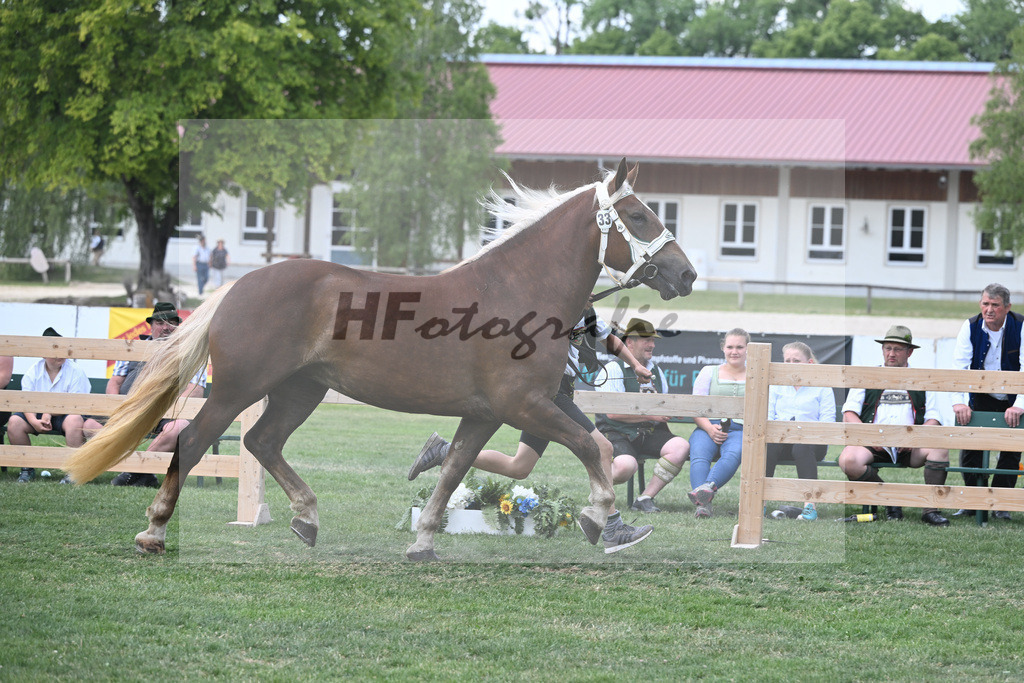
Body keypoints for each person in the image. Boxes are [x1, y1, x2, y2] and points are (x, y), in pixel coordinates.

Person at [408, 308, 655, 554]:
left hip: (561, 390)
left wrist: (635, 365)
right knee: (603, 447)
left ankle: (443, 451)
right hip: (551, 394)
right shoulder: (554, 303)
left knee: (519, 467)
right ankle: (613, 528)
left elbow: (607, 338)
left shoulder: (584, 310)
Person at [837, 325, 950, 526]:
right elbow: (849, 413)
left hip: (911, 445)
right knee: (848, 460)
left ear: (910, 352)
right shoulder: (868, 376)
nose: (891, 354)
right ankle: (890, 499)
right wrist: (870, 436)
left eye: (897, 349)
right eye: (888, 348)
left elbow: (934, 419)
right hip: (872, 442)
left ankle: (931, 509)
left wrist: (913, 438)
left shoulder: (922, 379)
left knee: (939, 449)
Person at [595, 317, 691, 514]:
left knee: (681, 446)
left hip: (648, 432)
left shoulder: (655, 369)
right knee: (625, 467)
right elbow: (613, 413)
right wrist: (653, 417)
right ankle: (598, 482)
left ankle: (645, 497)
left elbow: (663, 403)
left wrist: (673, 411)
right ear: (629, 342)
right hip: (616, 433)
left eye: (653, 340)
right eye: (646, 340)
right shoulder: (613, 369)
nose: (652, 345)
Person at [106, 302, 206, 487]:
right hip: (130, 409)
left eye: (171, 323)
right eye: (160, 323)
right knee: (85, 423)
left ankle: (132, 472)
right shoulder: (133, 348)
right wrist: (118, 406)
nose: (166, 327)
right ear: (150, 326)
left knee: (177, 428)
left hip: (167, 415)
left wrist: (165, 410)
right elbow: (115, 382)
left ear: (178, 326)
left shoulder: (189, 352)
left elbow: (196, 390)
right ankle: (73, 475)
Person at [950, 283, 1023, 520]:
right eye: (985, 304)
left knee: (1011, 452)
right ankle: (973, 501)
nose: (989, 309)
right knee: (971, 447)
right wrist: (959, 403)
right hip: (980, 396)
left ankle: (1000, 504)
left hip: (1014, 398)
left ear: (1007, 307)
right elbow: (959, 367)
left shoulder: (1021, 326)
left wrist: (1019, 404)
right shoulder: (969, 326)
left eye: (995, 305)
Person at [6, 328, 103, 483]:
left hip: (67, 414)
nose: (60, 355)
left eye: (62, 349)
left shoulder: (75, 371)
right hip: (37, 414)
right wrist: (34, 422)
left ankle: (74, 471)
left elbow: (75, 404)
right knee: (14, 423)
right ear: (43, 354)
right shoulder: (33, 371)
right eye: (54, 350)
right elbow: (26, 402)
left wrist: (48, 413)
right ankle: (26, 468)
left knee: (75, 421)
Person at [765, 341, 836, 521]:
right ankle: (760, 503)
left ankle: (809, 507)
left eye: (796, 361)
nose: (790, 365)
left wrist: (803, 433)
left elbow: (827, 422)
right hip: (781, 440)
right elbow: (768, 417)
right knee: (768, 447)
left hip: (813, 443)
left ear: (809, 363)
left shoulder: (822, 386)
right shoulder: (776, 384)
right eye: (787, 361)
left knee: (802, 447)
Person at [686, 328, 749, 518]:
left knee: (734, 453)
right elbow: (696, 407)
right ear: (723, 348)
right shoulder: (709, 372)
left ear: (748, 349)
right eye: (730, 347)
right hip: (707, 426)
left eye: (739, 347)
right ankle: (702, 505)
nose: (734, 351)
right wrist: (709, 428)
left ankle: (706, 490)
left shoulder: (756, 374)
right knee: (699, 455)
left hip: (740, 429)